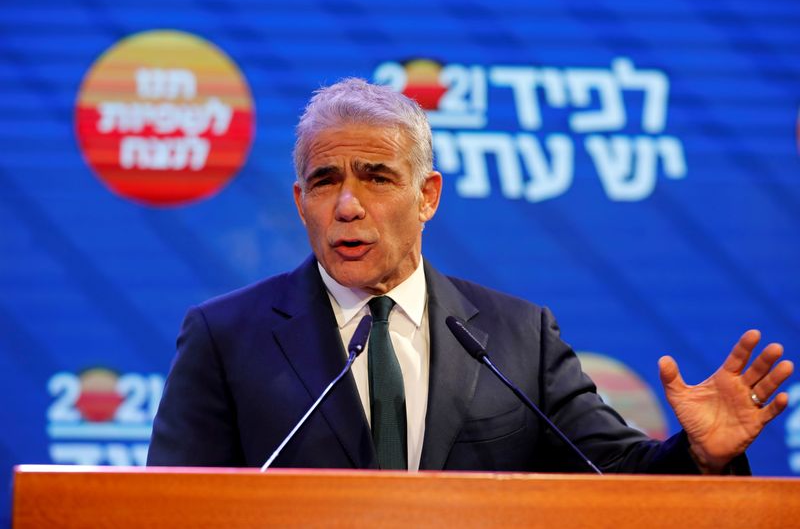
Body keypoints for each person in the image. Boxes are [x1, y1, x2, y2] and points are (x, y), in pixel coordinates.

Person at [147, 78, 793, 474]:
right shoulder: (225, 338)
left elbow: (617, 474)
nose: (347, 204)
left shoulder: (518, 337)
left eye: (376, 177)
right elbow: (169, 509)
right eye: (325, 181)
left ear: (427, 196)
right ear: (300, 202)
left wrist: (702, 452)